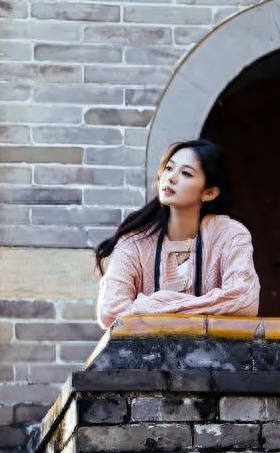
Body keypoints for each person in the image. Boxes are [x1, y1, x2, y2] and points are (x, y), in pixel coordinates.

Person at [95, 138, 260, 328]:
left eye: (186, 173)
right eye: (169, 168)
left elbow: (244, 300)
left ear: (209, 193)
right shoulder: (134, 241)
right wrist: (204, 308)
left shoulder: (230, 235)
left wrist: (154, 304)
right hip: (147, 356)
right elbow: (111, 312)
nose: (171, 178)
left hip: (214, 356)